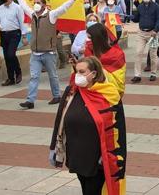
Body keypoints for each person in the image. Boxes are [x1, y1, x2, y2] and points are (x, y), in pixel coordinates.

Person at [50, 56, 126, 195]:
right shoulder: (72, 92)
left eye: (82, 72)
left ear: (94, 74)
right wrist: (54, 147)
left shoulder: (108, 95)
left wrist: (109, 157)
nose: (78, 75)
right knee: (85, 189)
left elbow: (117, 130)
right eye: (76, 71)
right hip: (77, 156)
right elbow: (59, 120)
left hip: (98, 160)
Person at [15, 0, 84, 108]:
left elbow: (63, 8)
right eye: (35, 2)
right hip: (35, 54)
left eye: (38, 2)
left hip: (49, 53)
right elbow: (24, 5)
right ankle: (30, 101)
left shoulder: (51, 15)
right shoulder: (32, 14)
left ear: (44, 5)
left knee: (53, 75)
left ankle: (57, 96)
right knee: (34, 76)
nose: (36, 4)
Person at [84, 23, 127, 96]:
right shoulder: (89, 51)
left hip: (110, 93)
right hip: (91, 93)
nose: (87, 40)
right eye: (87, 37)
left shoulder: (117, 54)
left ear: (97, 39)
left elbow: (118, 80)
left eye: (90, 38)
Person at [0, 0, 28, 86]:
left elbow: (22, 22)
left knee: (11, 54)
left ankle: (18, 72)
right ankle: (10, 78)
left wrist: (24, 36)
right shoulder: (0, 8)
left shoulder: (17, 8)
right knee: (6, 57)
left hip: (14, 34)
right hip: (3, 34)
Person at [131, 0, 159, 83]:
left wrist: (155, 30)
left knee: (153, 54)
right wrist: (131, 16)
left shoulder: (156, 7)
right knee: (138, 53)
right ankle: (137, 75)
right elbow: (136, 18)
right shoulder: (140, 6)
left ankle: (153, 73)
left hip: (152, 34)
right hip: (141, 33)